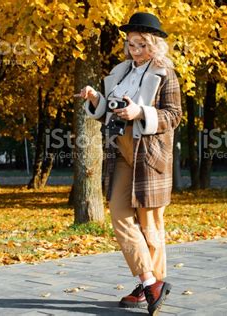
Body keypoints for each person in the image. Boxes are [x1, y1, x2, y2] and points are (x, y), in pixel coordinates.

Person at [77, 12, 182, 316]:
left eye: (141, 45)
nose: (135, 50)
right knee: (120, 214)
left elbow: (174, 116)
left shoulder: (166, 73)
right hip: (121, 152)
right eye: (131, 44)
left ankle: (150, 285)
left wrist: (140, 113)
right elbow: (108, 110)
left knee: (150, 225)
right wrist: (95, 97)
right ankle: (150, 282)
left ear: (154, 45)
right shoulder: (121, 71)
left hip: (148, 154)